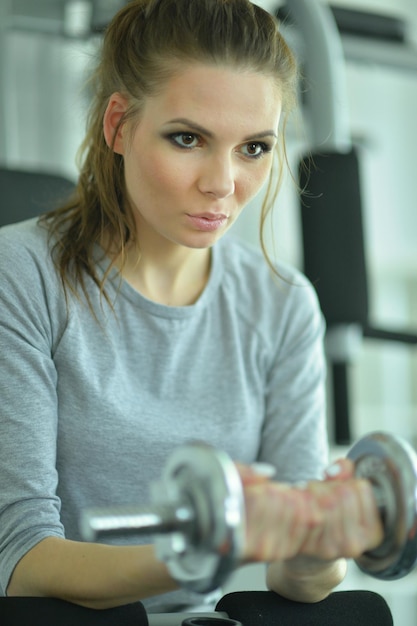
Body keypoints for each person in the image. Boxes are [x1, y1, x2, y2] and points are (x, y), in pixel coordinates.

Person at [0, 0, 382, 614]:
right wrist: (208, 548)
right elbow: (20, 561)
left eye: (254, 148)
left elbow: (298, 578)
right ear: (118, 125)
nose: (223, 184)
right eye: (188, 139)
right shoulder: (21, 275)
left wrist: (322, 542)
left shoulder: (284, 305)